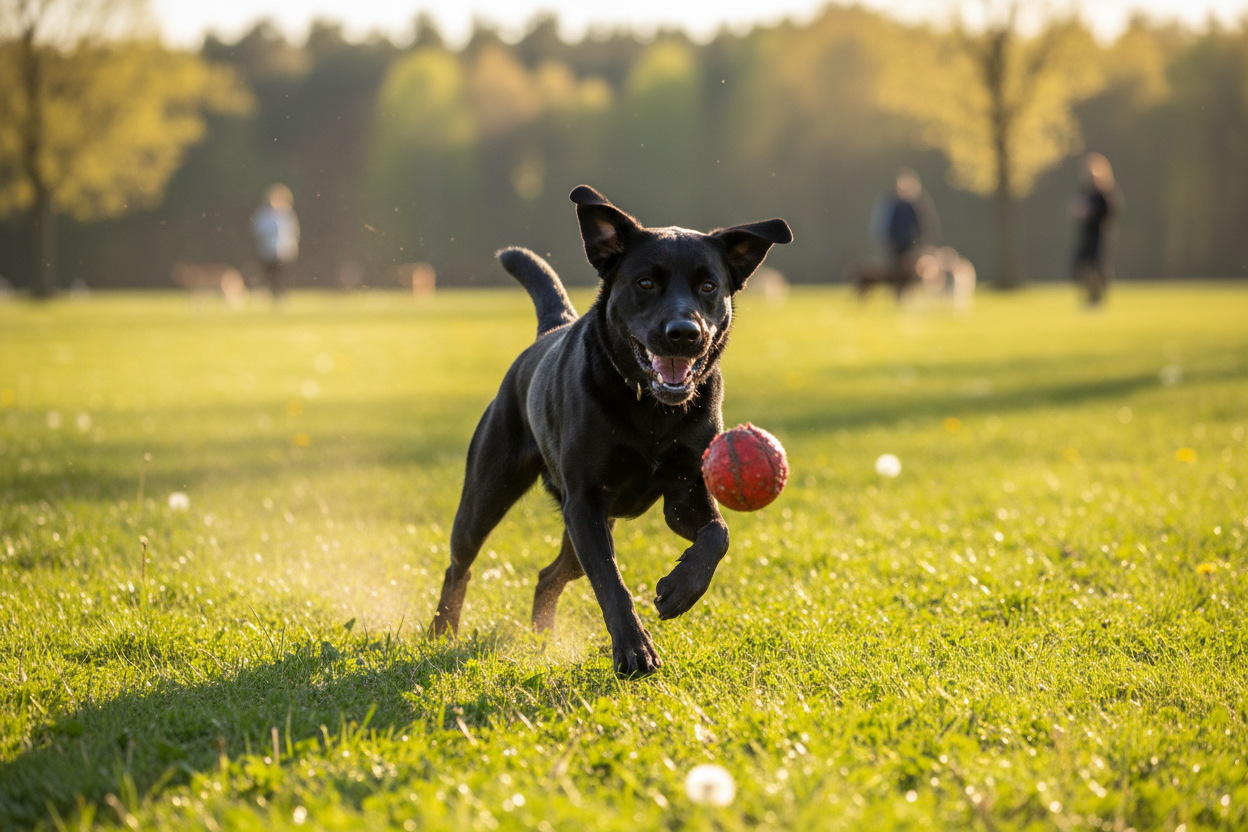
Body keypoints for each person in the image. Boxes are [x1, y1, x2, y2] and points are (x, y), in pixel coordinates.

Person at [867, 169, 940, 297]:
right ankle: (898, 295)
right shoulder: (891, 204)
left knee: (912, 271)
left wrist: (922, 243)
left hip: (912, 245)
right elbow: (884, 225)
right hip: (895, 244)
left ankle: (910, 296)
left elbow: (924, 226)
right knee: (896, 271)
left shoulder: (917, 206)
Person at [1071, 153, 1119, 306]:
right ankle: (1090, 296)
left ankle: (1097, 297)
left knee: (1095, 266)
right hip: (1086, 235)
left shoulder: (1104, 194)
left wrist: (1089, 213)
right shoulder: (1085, 193)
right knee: (1082, 265)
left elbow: (1108, 213)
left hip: (1098, 235)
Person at [251, 184, 299, 297]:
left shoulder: (286, 213)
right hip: (267, 251)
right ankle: (271, 294)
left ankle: (281, 295)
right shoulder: (264, 214)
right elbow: (257, 229)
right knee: (269, 274)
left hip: (283, 251)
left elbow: (293, 231)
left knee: (282, 275)